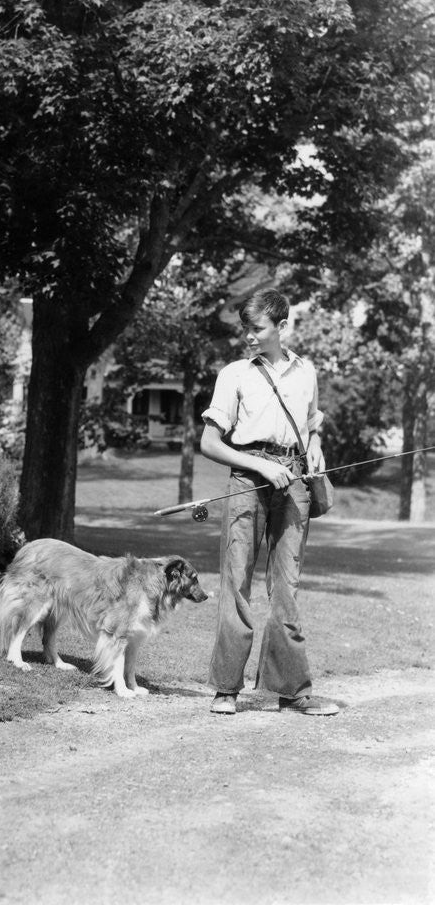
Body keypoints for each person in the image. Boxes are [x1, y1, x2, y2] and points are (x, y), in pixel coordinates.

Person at [199, 289, 338, 716]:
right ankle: (226, 689)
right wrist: (259, 468)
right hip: (247, 478)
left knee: (287, 588)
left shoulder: (307, 372)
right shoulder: (234, 374)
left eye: (256, 328)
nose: (248, 336)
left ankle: (292, 690)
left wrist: (314, 446)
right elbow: (209, 443)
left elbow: (312, 424)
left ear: (281, 327)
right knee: (236, 582)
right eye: (245, 328)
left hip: (294, 481)